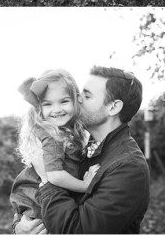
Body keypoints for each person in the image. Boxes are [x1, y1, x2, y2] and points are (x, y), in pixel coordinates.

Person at [14, 66, 150, 234]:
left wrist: (46, 180)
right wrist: (20, 226)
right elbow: (30, 189)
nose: (77, 100)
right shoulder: (82, 144)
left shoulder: (128, 167)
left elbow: (79, 231)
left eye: (86, 96)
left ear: (113, 107)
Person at [10, 70, 98, 221]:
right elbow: (55, 176)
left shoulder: (67, 128)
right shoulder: (52, 134)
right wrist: (85, 185)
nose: (57, 110)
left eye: (64, 101)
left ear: (76, 100)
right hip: (40, 202)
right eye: (47, 104)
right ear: (39, 108)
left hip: (52, 198)